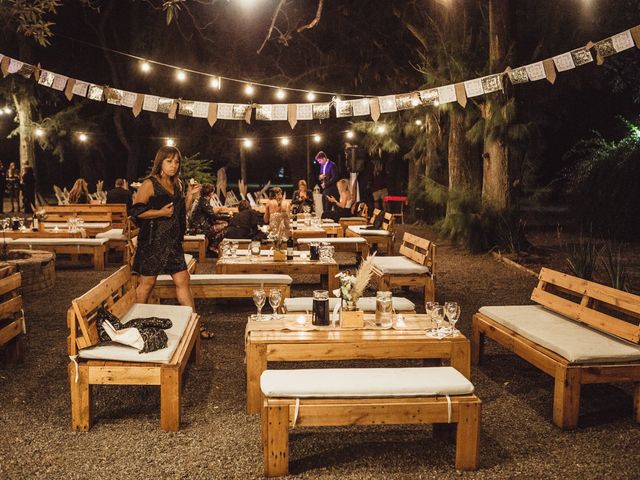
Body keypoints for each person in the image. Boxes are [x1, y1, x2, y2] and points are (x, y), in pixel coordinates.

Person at [130, 146, 211, 339]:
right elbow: (135, 212)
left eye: (176, 162)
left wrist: (190, 196)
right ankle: (136, 325)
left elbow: (181, 211)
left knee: (183, 281)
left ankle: (194, 324)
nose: (173, 165)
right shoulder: (150, 184)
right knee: (147, 284)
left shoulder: (178, 184)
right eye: (169, 161)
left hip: (172, 241)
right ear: (160, 162)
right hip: (152, 241)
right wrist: (160, 213)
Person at [189, 183, 229, 255]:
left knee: (221, 224)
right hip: (199, 228)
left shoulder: (201, 200)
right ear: (210, 194)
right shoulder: (203, 202)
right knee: (226, 225)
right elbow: (213, 215)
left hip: (198, 226)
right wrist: (228, 216)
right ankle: (212, 247)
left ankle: (212, 245)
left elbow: (210, 214)